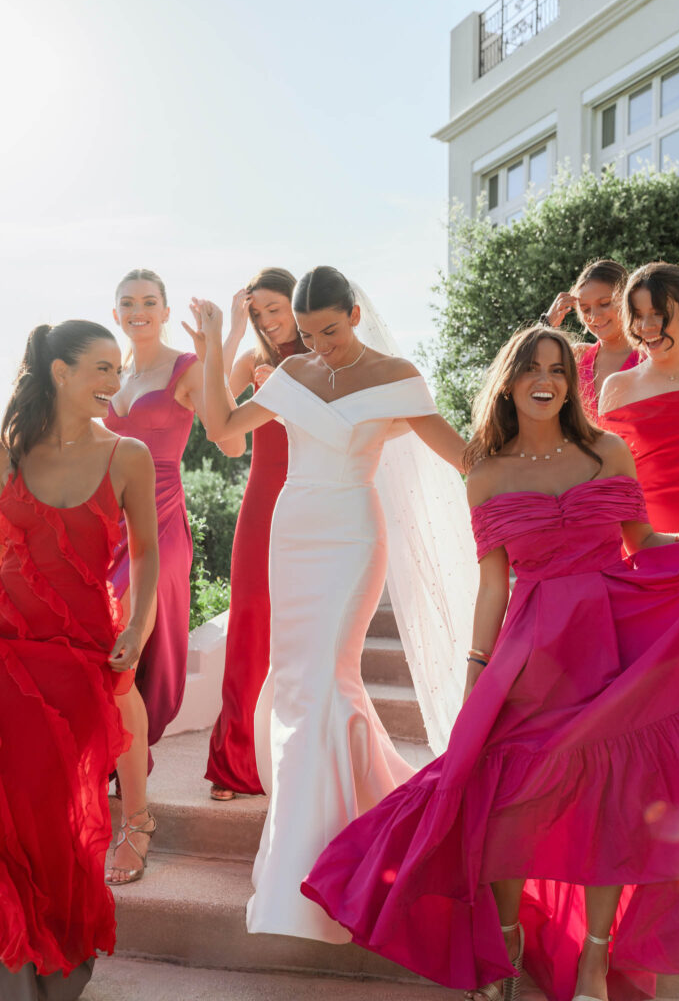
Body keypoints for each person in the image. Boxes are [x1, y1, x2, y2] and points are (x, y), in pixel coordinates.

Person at [302, 325, 679, 1001]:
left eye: (558, 369)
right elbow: (493, 582)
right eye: (531, 368)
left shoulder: (606, 450)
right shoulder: (484, 473)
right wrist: (477, 666)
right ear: (508, 381)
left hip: (611, 640)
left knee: (610, 801)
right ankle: (503, 943)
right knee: (505, 801)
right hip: (533, 647)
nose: (546, 379)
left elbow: (643, 541)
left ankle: (594, 964)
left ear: (571, 382)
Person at [194, 265, 470, 943]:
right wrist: (210, 350)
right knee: (295, 683)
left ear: (354, 312)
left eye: (331, 330)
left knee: (325, 677)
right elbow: (222, 425)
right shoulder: (291, 376)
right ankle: (340, 824)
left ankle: (313, 858)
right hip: (293, 532)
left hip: (350, 533)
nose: (321, 345)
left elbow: (462, 455)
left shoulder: (396, 375)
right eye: (310, 334)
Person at [0, 321, 158, 1000]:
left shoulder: (128, 455)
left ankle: (57, 956)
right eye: (99, 368)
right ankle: (17, 961)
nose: (112, 382)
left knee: (61, 819)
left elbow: (148, 554)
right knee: (13, 820)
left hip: (88, 657)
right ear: (59, 372)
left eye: (117, 370)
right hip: (10, 656)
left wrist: (142, 627)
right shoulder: (10, 450)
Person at [104, 267, 237, 885]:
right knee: (96, 638)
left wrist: (214, 351)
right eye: (128, 302)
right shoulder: (110, 375)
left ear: (163, 310)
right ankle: (114, 756)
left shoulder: (185, 368)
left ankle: (134, 797)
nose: (139, 311)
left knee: (137, 644)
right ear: (116, 312)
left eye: (149, 302)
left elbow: (222, 429)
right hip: (101, 519)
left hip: (157, 519)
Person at [205, 267, 306, 801]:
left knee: (301, 629)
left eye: (275, 308)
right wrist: (232, 336)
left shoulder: (322, 355)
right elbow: (212, 411)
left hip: (314, 500)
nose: (268, 319)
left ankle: (292, 757)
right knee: (248, 616)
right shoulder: (254, 359)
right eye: (257, 311)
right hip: (262, 500)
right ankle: (234, 761)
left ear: (296, 303)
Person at [600, 261, 679, 530]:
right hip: (650, 560)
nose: (646, 326)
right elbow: (609, 485)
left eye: (659, 313)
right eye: (637, 314)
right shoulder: (617, 388)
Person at [542, 259, 639, 421]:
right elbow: (517, 374)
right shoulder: (576, 356)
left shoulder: (653, 355)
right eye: (585, 309)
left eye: (605, 304)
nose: (594, 316)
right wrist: (545, 325)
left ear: (627, 299)